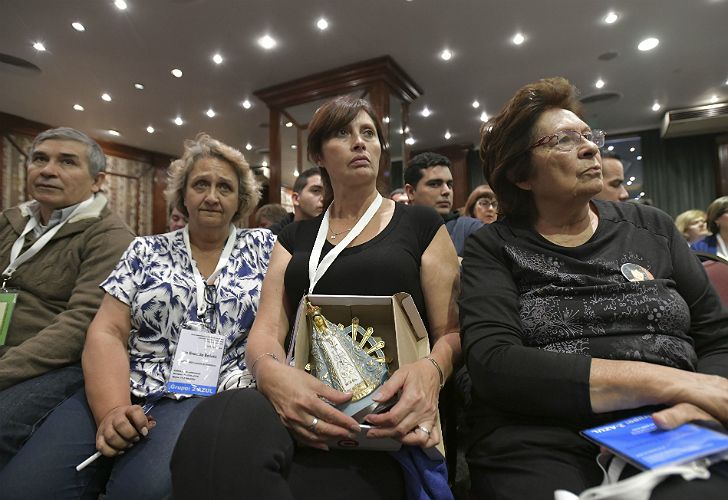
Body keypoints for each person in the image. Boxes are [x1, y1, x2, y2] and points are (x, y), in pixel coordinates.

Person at [170, 96, 461, 499]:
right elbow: (268, 328)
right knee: (216, 422)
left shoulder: (421, 224)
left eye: (369, 133)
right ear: (319, 155)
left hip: (384, 413)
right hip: (298, 396)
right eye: (344, 133)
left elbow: (452, 331)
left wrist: (432, 371)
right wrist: (273, 377)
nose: (361, 143)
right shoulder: (295, 237)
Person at [461, 77, 728, 499]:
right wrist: (672, 382)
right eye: (564, 140)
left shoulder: (652, 227)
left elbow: (717, 337)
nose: (590, 148)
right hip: (538, 434)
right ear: (520, 174)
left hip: (669, 422)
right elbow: (495, 363)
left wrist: (699, 400)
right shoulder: (493, 246)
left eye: (589, 137)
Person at [0, 134, 275, 499]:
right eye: (200, 185)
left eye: (224, 187)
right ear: (182, 196)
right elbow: (107, 332)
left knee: (143, 491)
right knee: (25, 489)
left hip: (207, 389)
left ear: (241, 200)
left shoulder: (266, 248)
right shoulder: (145, 249)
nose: (211, 196)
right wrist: (113, 409)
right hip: (125, 381)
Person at [0, 127, 133, 470]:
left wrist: (5, 368)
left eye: (67, 162)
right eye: (40, 159)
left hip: (56, 364)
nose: (47, 170)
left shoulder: (110, 236)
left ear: (97, 181)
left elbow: (80, 325)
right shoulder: (11, 221)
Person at [404, 152, 483, 257]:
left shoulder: (471, 229)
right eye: (435, 184)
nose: (447, 191)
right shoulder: (395, 232)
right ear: (411, 192)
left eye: (449, 185)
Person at [269, 167, 325, 234]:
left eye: (328, 193)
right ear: (296, 199)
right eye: (316, 190)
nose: (324, 198)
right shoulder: (271, 238)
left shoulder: (332, 235)